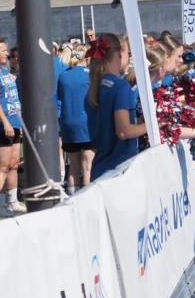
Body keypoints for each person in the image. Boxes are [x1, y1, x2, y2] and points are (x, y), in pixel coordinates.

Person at [87, 34, 147, 182]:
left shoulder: (95, 87)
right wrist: (152, 125)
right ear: (120, 54)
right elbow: (123, 131)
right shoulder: (120, 87)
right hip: (118, 171)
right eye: (129, 53)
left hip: (101, 169)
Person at [0, 38, 25, 217]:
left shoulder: (5, 71)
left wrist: (18, 122)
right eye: (3, 50)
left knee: (14, 164)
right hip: (2, 126)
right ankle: (0, 204)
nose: (7, 54)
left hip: (15, 123)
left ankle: (12, 200)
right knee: (2, 166)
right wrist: (6, 122)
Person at [58, 44, 93, 195]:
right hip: (86, 124)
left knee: (73, 166)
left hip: (68, 124)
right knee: (87, 166)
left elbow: (60, 98)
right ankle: (86, 199)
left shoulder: (63, 75)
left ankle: (72, 198)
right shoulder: (89, 75)